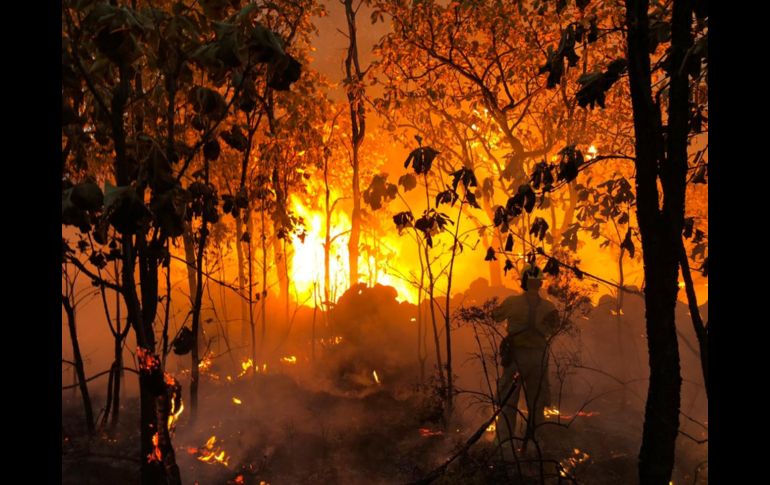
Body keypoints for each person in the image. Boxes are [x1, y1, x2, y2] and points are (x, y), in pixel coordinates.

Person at [492, 265, 560, 452]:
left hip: (516, 359)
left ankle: (504, 446)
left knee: (508, 403)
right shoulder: (548, 307)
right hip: (538, 360)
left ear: (523, 282)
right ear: (539, 284)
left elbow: (495, 316)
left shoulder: (513, 302)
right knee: (536, 405)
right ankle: (534, 445)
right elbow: (555, 328)